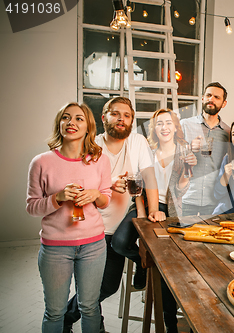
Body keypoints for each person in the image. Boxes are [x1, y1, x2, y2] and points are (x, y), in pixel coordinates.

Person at [64, 97, 165, 333]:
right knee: (91, 286)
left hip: (118, 226)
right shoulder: (90, 145)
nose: (122, 119)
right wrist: (109, 185)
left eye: (127, 115)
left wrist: (153, 209)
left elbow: (148, 177)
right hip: (91, 229)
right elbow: (78, 185)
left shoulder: (137, 141)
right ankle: (78, 324)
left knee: (107, 286)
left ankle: (67, 318)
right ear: (104, 117)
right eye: (115, 113)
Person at [26, 102, 112, 332]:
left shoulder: (100, 160)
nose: (71, 122)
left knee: (90, 307)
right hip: (55, 248)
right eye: (66, 117)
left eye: (78, 118)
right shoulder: (41, 162)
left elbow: (106, 200)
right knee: (54, 312)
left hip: (94, 245)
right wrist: (58, 197)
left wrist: (95, 195)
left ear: (88, 127)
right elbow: (32, 207)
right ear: (59, 123)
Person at [112, 109, 196, 332]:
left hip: (170, 211)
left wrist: (188, 172)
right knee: (119, 243)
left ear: (176, 127)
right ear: (154, 128)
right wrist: (141, 213)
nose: (165, 127)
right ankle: (142, 263)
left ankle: (170, 324)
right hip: (144, 205)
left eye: (169, 123)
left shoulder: (183, 153)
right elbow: (136, 186)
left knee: (165, 265)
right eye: (159, 124)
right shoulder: (146, 150)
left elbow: (180, 191)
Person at [180, 82, 231, 216]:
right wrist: (189, 147)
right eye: (208, 95)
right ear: (202, 98)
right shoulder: (185, 125)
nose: (211, 99)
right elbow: (169, 156)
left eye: (216, 97)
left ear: (224, 103)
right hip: (186, 198)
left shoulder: (228, 132)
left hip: (213, 201)